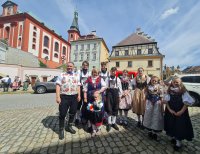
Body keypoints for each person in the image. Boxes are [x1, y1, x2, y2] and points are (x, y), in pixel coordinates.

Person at [164, 76, 194, 151]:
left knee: (179, 126)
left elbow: (186, 103)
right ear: (172, 83)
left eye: (177, 82)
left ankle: (178, 142)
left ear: (180, 83)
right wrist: (170, 109)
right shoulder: (169, 90)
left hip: (180, 112)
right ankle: (174, 137)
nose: (175, 83)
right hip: (171, 111)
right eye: (174, 82)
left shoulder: (183, 91)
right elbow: (166, 101)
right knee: (171, 124)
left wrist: (181, 112)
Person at [56, 62, 81, 140]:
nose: (69, 67)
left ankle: (69, 126)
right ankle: (61, 129)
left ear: (73, 67)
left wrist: (79, 95)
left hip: (74, 96)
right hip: (64, 97)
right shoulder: (62, 75)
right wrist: (57, 97)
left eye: (71, 66)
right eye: (68, 66)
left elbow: (78, 86)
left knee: (73, 112)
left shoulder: (76, 75)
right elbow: (58, 85)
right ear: (66, 67)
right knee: (62, 113)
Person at [143, 76, 164, 141]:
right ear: (151, 80)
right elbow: (145, 95)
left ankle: (155, 132)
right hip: (149, 103)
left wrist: (162, 105)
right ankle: (150, 131)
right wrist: (144, 104)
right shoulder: (148, 86)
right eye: (153, 80)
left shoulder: (159, 87)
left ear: (157, 81)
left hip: (157, 103)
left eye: (155, 81)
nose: (154, 82)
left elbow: (161, 96)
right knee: (149, 116)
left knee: (156, 117)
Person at [105, 67, 122, 132]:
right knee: (109, 108)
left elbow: (120, 88)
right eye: (113, 71)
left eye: (115, 71)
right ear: (111, 71)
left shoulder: (118, 79)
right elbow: (105, 87)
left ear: (116, 72)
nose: (114, 72)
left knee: (115, 108)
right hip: (109, 94)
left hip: (115, 94)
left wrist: (120, 96)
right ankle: (109, 123)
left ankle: (113, 122)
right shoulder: (107, 78)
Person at [75, 61, 91, 126]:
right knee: (78, 104)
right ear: (82, 66)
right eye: (84, 65)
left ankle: (86, 117)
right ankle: (77, 118)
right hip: (80, 89)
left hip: (87, 90)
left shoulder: (89, 73)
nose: (85, 66)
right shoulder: (79, 72)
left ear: (88, 66)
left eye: (86, 65)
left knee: (87, 105)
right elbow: (77, 81)